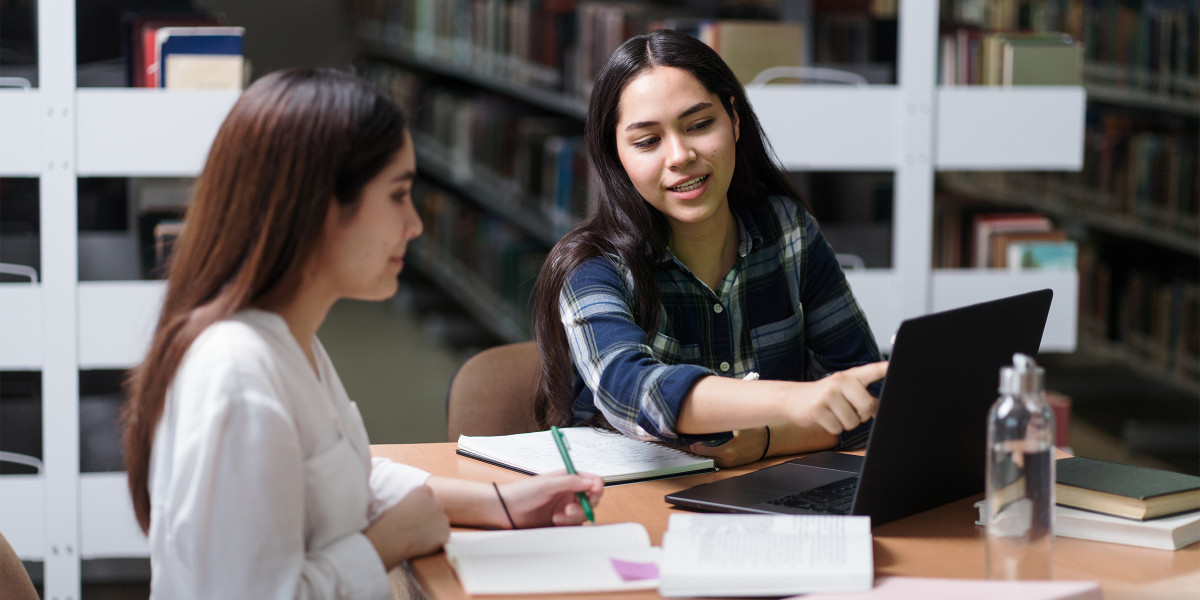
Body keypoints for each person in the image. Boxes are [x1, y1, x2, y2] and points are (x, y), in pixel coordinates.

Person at [121, 68, 603, 599]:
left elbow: (339, 478)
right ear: (319, 207)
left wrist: (497, 502)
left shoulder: (285, 338)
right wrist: (386, 543)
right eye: (398, 195)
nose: (416, 225)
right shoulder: (236, 374)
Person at [532, 29, 889, 469]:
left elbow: (870, 398)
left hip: (767, 502)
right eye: (647, 141)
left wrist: (765, 440)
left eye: (700, 125)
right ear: (616, 156)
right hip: (632, 505)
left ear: (734, 120)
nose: (680, 155)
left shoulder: (787, 229)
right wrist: (796, 402)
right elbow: (633, 394)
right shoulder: (591, 268)